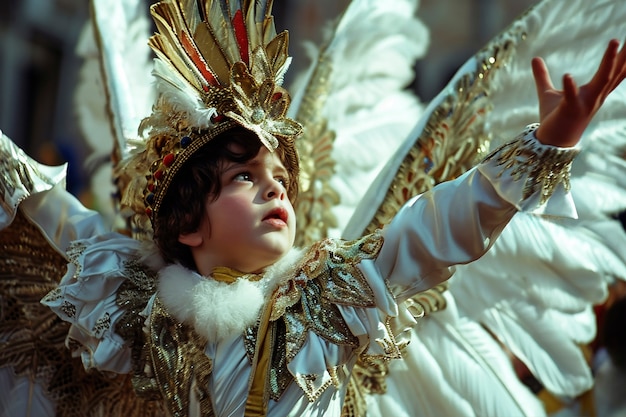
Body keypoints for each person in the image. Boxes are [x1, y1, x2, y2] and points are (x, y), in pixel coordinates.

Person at [1, 0, 625, 416]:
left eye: (280, 179)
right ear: (189, 225)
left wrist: (547, 142)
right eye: (245, 177)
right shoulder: (126, 304)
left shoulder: (325, 297)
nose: (276, 190)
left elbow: (435, 229)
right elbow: (42, 205)